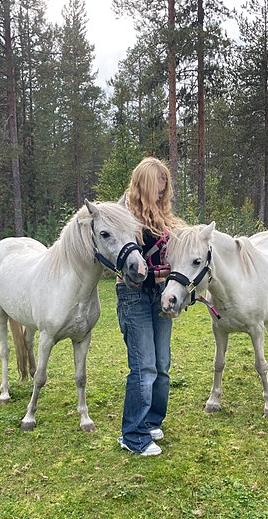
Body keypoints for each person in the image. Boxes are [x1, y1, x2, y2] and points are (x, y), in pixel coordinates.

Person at [116, 157, 182, 456]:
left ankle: (152, 421)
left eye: (165, 186)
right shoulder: (123, 217)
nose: (162, 192)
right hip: (134, 295)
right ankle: (132, 434)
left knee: (162, 366)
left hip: (160, 293)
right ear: (143, 184)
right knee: (143, 366)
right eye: (158, 186)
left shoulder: (165, 218)